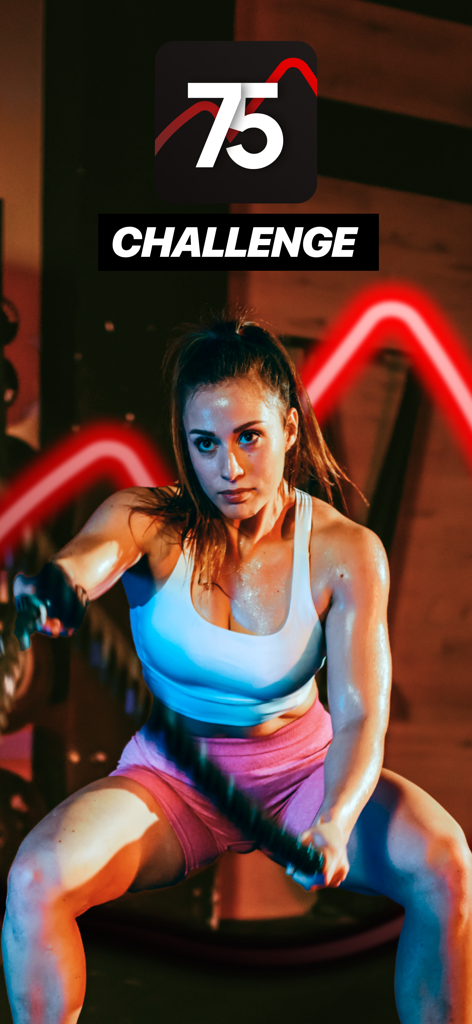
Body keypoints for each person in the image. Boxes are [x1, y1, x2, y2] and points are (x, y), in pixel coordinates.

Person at [2, 314, 472, 1024]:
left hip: (305, 775)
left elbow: (359, 713)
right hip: (172, 782)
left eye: (249, 437)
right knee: (36, 878)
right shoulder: (147, 521)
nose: (229, 468)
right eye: (205, 444)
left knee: (446, 864)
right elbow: (87, 558)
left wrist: (336, 822)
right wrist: (59, 585)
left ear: (288, 427)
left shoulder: (347, 551)